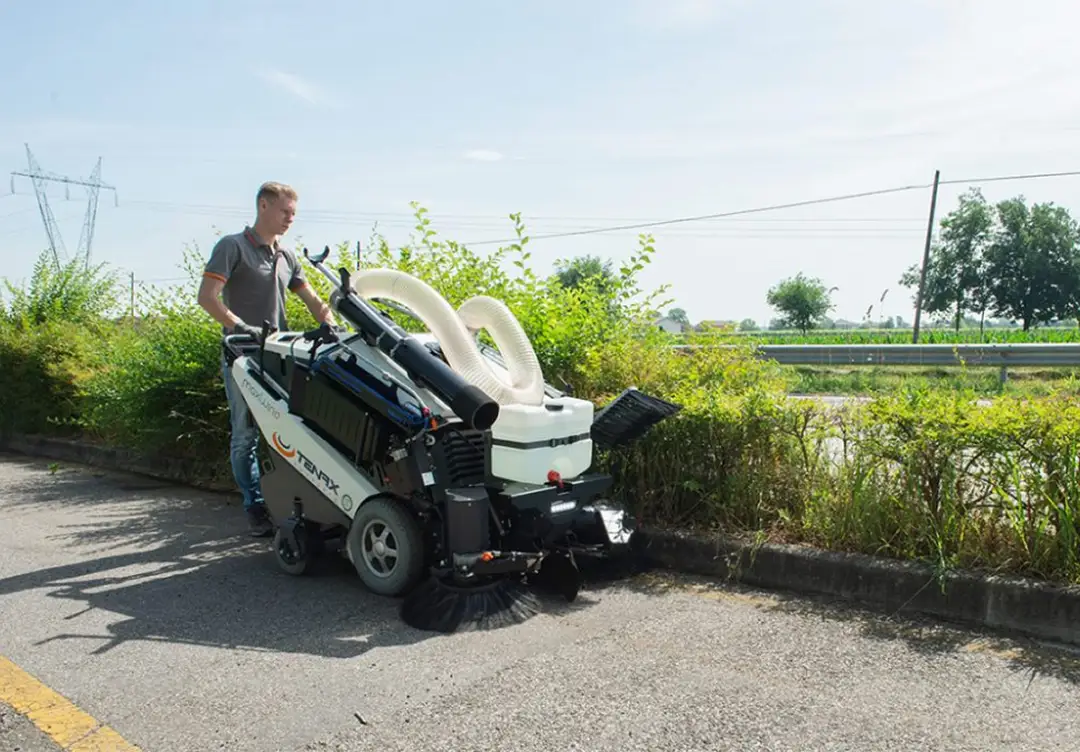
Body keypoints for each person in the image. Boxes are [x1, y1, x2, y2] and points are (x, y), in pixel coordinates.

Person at [197, 181, 336, 537]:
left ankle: (288, 503)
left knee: (284, 431)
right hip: (241, 355)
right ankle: (253, 505)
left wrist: (331, 318)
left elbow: (311, 299)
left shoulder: (286, 256)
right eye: (284, 211)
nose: (290, 218)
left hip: (277, 355)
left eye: (293, 213)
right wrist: (240, 326)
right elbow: (208, 298)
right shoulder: (233, 247)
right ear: (263, 206)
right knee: (245, 435)